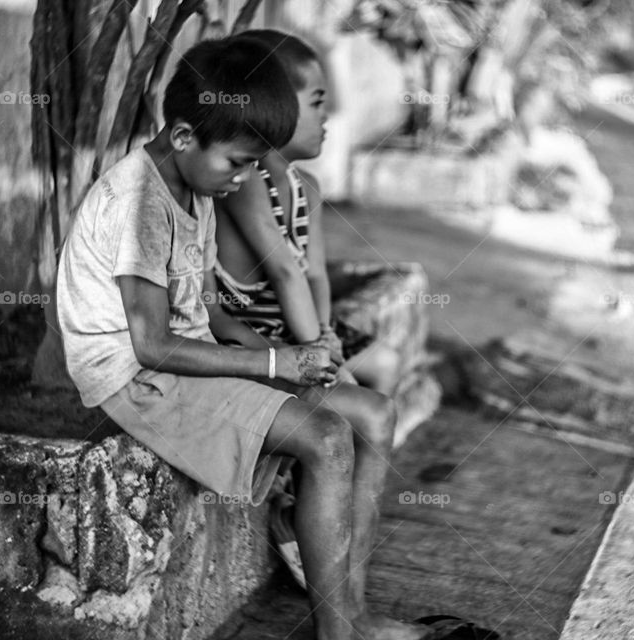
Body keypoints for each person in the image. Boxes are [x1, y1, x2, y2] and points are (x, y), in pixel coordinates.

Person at [56, 36, 424, 640]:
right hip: (138, 380)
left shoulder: (195, 188)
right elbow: (150, 344)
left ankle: (353, 613)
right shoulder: (138, 202)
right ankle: (338, 635)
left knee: (372, 414)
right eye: (237, 162)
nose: (246, 178)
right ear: (180, 137)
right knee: (327, 438)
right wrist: (272, 360)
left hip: (185, 361)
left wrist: (295, 361)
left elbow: (203, 313)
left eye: (256, 164)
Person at [213, 29, 402, 397]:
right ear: (275, 107)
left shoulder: (308, 187)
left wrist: (325, 333)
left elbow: (314, 275)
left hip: (301, 328)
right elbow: (285, 273)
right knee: (345, 388)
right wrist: (319, 349)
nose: (326, 118)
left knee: (385, 363)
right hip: (255, 342)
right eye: (316, 103)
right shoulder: (246, 182)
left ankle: (369, 451)